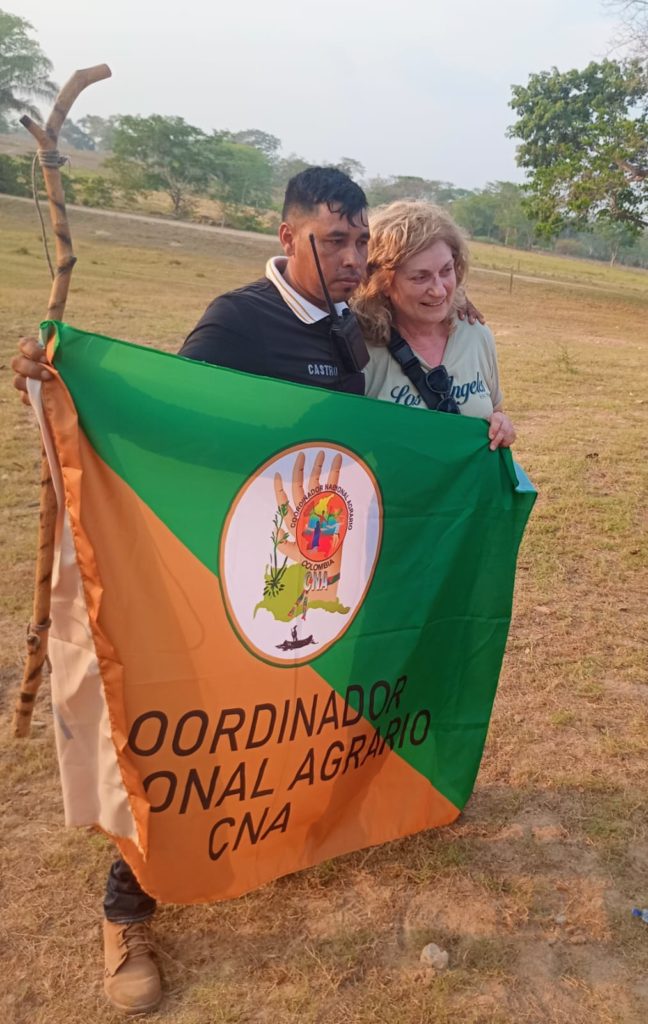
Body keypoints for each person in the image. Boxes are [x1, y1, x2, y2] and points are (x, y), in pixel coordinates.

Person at [10, 169, 490, 1015]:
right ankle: (127, 908)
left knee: (303, 710)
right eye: (332, 241)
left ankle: (289, 830)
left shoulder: (353, 326)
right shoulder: (237, 320)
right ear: (287, 236)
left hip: (321, 565)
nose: (350, 258)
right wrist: (65, 386)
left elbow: (416, 359)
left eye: (357, 240)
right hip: (226, 565)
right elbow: (170, 417)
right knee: (186, 731)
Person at [353, 200, 515, 449]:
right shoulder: (360, 348)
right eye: (420, 277)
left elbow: (494, 410)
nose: (439, 291)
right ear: (382, 282)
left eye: (446, 271)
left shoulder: (475, 334)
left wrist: (501, 425)